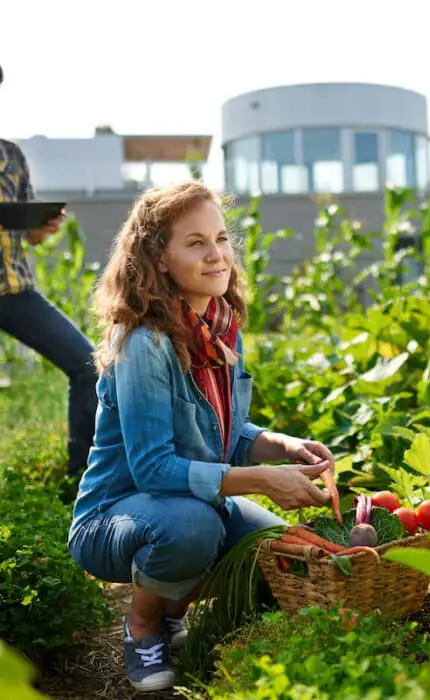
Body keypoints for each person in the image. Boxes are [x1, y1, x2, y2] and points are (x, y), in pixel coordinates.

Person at [67, 181, 337, 692]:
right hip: (116, 515)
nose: (217, 255)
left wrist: (279, 446)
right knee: (193, 529)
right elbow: (153, 470)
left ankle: (174, 603)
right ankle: (144, 623)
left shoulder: (219, 329)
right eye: (195, 243)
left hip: (189, 502)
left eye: (221, 239)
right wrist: (261, 480)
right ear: (160, 258)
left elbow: (223, 433)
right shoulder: (144, 343)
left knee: (278, 552)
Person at [0, 64, 98, 481]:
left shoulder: (11, 155)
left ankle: (84, 477)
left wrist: (43, 226)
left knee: (90, 365)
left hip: (15, 289)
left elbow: (32, 236)